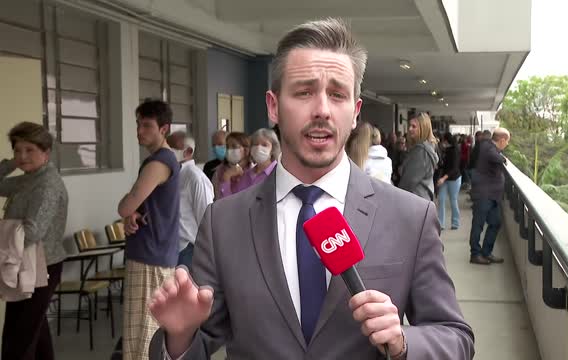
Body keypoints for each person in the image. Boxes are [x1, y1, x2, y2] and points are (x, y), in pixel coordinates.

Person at [148, 18, 474, 360]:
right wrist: (180, 336)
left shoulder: (411, 216)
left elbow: (456, 339)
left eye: (337, 95)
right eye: (304, 92)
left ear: (354, 111)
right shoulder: (223, 221)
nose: (322, 110)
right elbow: (197, 343)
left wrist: (404, 341)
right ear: (273, 106)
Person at [0, 122, 68, 360]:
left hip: (40, 267)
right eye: (17, 150)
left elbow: (33, 232)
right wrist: (11, 164)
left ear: (46, 152)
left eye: (29, 150)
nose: (22, 156)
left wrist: (2, 233)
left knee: (17, 340)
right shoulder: (29, 178)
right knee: (34, 335)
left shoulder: (46, 184)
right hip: (27, 263)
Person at [117, 100, 180, 360]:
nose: (139, 131)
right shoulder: (157, 161)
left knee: (142, 335)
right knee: (146, 330)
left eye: (147, 125)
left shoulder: (159, 162)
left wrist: (126, 209)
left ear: (163, 129)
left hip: (150, 258)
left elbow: (126, 203)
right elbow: (138, 205)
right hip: (154, 255)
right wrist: (133, 213)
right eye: (138, 124)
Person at [167, 132, 215, 270]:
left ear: (188, 152)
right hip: (170, 248)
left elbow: (205, 217)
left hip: (187, 248)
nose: (168, 151)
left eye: (172, 147)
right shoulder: (171, 175)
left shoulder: (195, 178)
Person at [469, 127, 510, 265]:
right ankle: (475, 254)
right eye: (507, 142)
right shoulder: (488, 147)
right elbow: (496, 157)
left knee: (496, 222)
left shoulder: (489, 147)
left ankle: (486, 252)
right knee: (478, 225)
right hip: (483, 194)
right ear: (502, 140)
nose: (507, 145)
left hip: (492, 195)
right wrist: (503, 159)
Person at [219, 128, 280, 198]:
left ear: (273, 149)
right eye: (255, 144)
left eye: (264, 145)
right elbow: (231, 202)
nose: (258, 148)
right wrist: (226, 179)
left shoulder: (278, 173)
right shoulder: (246, 175)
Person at [398, 113, 439, 201]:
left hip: (415, 200)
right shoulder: (428, 147)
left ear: (423, 128)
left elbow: (408, 182)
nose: (409, 129)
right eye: (410, 125)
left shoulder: (421, 151)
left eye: (414, 126)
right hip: (422, 198)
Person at [210, 132, 251, 199]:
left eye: (234, 146)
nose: (229, 150)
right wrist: (226, 177)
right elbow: (221, 202)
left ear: (246, 150)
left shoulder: (254, 171)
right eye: (227, 147)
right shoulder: (219, 172)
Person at [436, 132, 462, 230]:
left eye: (443, 140)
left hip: (454, 179)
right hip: (445, 178)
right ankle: (440, 223)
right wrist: (438, 166)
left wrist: (443, 178)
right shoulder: (447, 150)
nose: (442, 142)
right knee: (441, 199)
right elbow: (446, 165)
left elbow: (454, 168)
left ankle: (455, 222)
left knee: (453, 200)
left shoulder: (455, 151)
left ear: (447, 140)